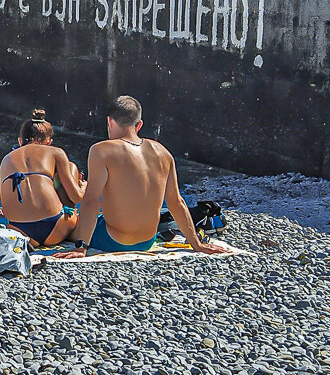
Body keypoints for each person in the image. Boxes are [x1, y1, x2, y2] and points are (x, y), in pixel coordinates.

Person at [57, 96, 228, 257]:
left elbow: (91, 201)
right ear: (139, 125)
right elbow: (177, 202)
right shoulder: (163, 152)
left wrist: (81, 247)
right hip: (147, 241)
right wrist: (197, 244)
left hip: (113, 240)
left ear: (109, 121)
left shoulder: (101, 150)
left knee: (70, 226)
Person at [0, 109, 87, 247]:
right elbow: (76, 197)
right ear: (49, 142)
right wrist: (83, 186)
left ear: (20, 140)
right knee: (71, 167)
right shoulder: (56, 152)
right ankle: (70, 220)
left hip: (20, 232)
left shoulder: (6, 159)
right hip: (57, 228)